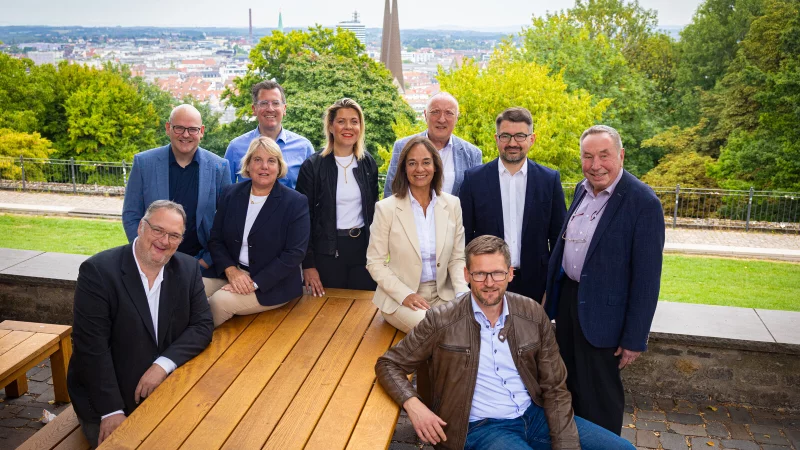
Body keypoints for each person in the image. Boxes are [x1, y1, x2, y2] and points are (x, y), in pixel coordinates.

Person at [375, 235, 634, 450]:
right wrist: (414, 405)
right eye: (480, 274)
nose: (489, 283)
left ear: (510, 273)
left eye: (498, 273)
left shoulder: (532, 313)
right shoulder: (441, 320)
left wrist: (566, 444)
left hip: (536, 415)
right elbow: (389, 365)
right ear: (466, 275)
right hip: (482, 427)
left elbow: (555, 386)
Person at [545, 125, 665, 435]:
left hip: (605, 318)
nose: (595, 165)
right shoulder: (581, 189)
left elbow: (647, 279)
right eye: (588, 156)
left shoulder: (643, 202)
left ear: (621, 155)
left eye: (604, 155)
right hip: (570, 304)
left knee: (600, 398)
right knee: (568, 388)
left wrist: (634, 338)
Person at [68, 200, 214, 447]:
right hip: (108, 394)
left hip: (165, 384)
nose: (164, 241)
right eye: (158, 230)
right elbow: (91, 348)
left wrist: (162, 365)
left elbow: (202, 325)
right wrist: (111, 411)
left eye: (174, 236)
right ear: (140, 227)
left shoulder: (187, 268)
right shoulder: (99, 272)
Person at [459, 107, 566, 303]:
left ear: (532, 139)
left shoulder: (549, 180)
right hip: (486, 281)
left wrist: (550, 288)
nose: (512, 143)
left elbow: (558, 238)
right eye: (505, 136)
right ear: (496, 138)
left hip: (536, 283)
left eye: (520, 136)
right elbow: (463, 236)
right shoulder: (474, 180)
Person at [366, 136, 468, 333]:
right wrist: (405, 294)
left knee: (471, 327)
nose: (419, 169)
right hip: (402, 298)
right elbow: (375, 262)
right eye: (412, 163)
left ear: (435, 166)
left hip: (443, 294)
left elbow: (457, 258)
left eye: (426, 162)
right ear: (404, 169)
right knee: (435, 330)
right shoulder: (386, 208)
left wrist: (462, 293)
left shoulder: (452, 204)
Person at [206, 136, 310, 327]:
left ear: (279, 167)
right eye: (257, 160)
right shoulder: (231, 194)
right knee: (189, 289)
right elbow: (216, 239)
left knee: (218, 302)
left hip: (270, 284)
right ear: (248, 164)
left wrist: (254, 283)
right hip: (231, 272)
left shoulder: (295, 202)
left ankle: (194, 342)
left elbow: (294, 254)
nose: (264, 166)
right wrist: (231, 271)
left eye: (271, 161)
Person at [122, 104, 231, 276]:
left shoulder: (220, 167)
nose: (185, 135)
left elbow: (228, 221)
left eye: (192, 129)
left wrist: (205, 262)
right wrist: (146, 254)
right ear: (168, 128)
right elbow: (131, 214)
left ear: (201, 131)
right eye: (179, 128)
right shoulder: (144, 163)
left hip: (201, 267)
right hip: (152, 263)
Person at [295, 98, 378, 295]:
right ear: (331, 127)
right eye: (341, 121)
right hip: (326, 253)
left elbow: (374, 212)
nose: (348, 127)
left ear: (360, 127)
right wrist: (308, 264)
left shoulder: (367, 163)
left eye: (354, 121)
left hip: (362, 252)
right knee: (328, 309)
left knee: (363, 307)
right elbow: (302, 220)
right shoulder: (313, 166)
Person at [383, 92, 482, 197]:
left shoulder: (472, 154)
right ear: (425, 115)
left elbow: (477, 196)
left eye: (449, 113)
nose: (442, 119)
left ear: (457, 117)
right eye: (435, 112)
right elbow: (391, 192)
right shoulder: (402, 146)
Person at [223, 80, 314, 189]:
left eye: (275, 103)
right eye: (264, 103)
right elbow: (226, 192)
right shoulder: (236, 148)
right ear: (254, 109)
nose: (270, 109)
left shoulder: (304, 147)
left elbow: (313, 191)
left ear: (284, 109)